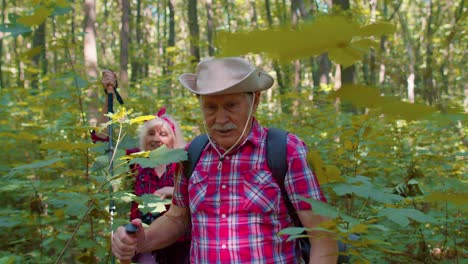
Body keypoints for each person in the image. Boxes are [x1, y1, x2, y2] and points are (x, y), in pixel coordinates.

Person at [111, 57, 338, 263]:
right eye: (210, 107)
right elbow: (177, 219)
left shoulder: (285, 151)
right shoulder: (192, 154)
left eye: (231, 105)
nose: (220, 118)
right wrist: (143, 239)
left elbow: (322, 235)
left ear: (255, 100)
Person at [95, 70, 190, 264]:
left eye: (163, 134)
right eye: (151, 133)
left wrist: (173, 191)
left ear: (173, 139)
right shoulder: (136, 161)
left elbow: (199, 190)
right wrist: (109, 95)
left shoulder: (185, 160)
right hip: (144, 237)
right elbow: (102, 137)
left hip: (181, 242)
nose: (156, 138)